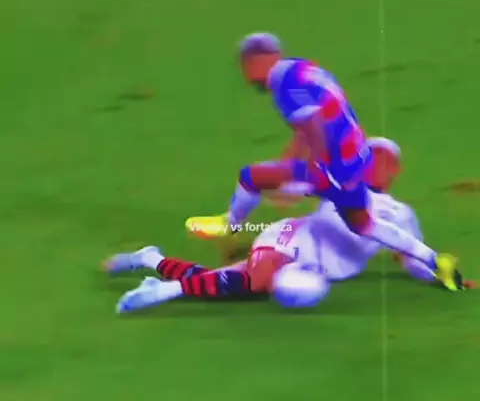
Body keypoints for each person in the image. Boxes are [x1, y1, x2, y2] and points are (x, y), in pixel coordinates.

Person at [185, 33, 463, 291]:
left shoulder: (285, 87)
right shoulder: (301, 69)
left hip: (334, 164)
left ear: (254, 62)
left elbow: (312, 127)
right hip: (356, 157)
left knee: (252, 177)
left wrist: (308, 168)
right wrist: (289, 166)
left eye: (245, 67)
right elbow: (309, 124)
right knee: (363, 223)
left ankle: (231, 223)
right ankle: (437, 261)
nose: (246, 76)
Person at [105, 139, 473, 314]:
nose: (377, 166)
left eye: (385, 161)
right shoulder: (339, 184)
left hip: (314, 270)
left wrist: (445, 279)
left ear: (396, 170)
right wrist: (284, 185)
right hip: (290, 238)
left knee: (232, 283)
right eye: (371, 158)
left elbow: (410, 260)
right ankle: (163, 292)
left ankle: (152, 260)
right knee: (256, 281)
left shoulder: (401, 214)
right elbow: (287, 185)